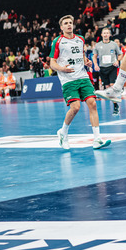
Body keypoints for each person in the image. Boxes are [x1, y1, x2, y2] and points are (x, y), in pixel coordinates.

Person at [50, 15, 111, 150]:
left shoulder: (80, 39)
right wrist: (62, 69)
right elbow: (52, 63)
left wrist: (86, 61)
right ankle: (63, 132)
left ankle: (97, 139)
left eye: (70, 23)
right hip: (68, 80)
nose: (69, 25)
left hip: (83, 77)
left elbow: (81, 55)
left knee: (92, 104)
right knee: (75, 107)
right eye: (66, 23)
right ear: (61, 27)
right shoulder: (58, 41)